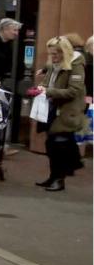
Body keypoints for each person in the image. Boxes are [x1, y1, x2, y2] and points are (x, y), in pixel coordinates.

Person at [33, 36, 86, 192]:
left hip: (66, 110)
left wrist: (48, 91)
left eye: (56, 54)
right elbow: (47, 82)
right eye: (51, 54)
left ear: (65, 52)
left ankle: (59, 179)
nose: (53, 57)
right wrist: (41, 88)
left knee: (59, 145)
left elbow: (73, 91)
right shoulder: (54, 64)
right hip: (52, 108)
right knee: (51, 144)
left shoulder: (75, 64)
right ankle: (53, 176)